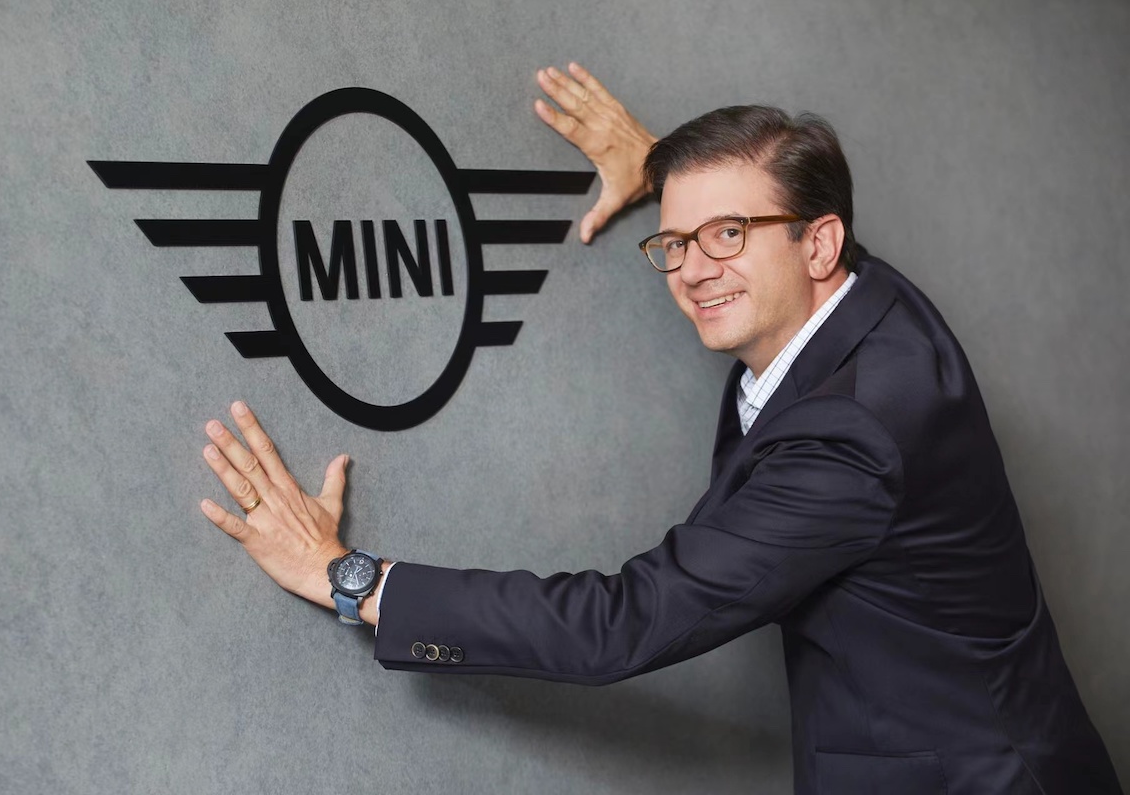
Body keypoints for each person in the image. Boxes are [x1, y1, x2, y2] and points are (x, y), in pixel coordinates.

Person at [197, 64, 1122, 794]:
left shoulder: (855, 437)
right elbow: (757, 237)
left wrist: (348, 577)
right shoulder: (869, 303)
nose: (691, 270)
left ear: (819, 242)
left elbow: (623, 624)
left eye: (728, 235)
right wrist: (673, 183)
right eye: (676, 243)